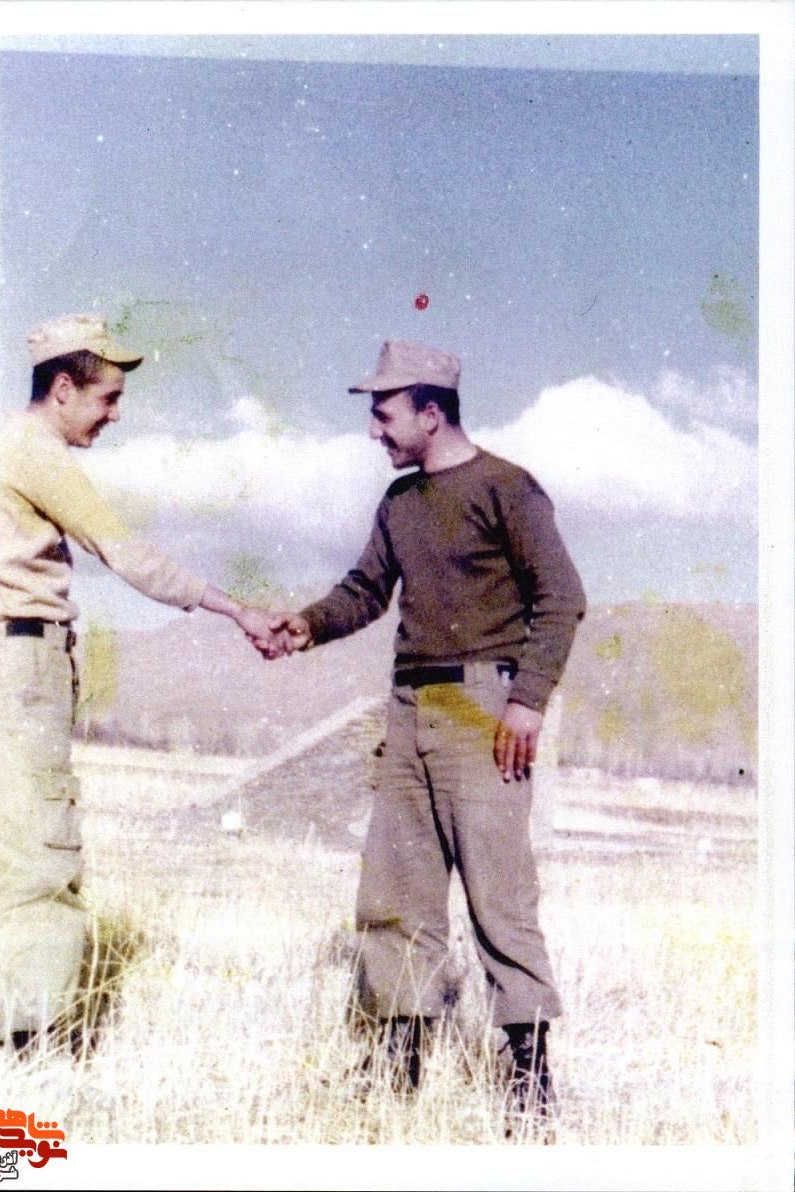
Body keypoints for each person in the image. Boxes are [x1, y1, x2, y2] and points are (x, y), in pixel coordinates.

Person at [266, 340, 586, 1122]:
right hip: (407, 710)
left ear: (431, 412)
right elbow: (365, 589)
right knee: (396, 891)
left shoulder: (508, 488)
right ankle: (396, 1071)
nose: (374, 431)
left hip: (484, 712)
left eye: (384, 415)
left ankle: (530, 1087)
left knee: (499, 897)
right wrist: (306, 624)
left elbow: (561, 597)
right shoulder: (399, 503)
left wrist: (527, 701)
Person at [0, 313, 284, 1052]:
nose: (116, 415)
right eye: (109, 398)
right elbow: (129, 555)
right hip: (18, 663)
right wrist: (235, 608)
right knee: (38, 853)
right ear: (64, 389)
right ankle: (29, 1049)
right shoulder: (31, 451)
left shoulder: (2, 446)